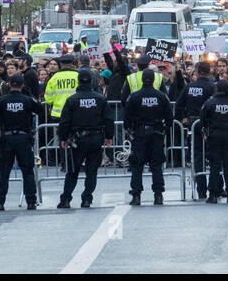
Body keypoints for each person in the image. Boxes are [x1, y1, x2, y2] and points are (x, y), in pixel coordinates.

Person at [57, 68, 113, 209]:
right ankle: (87, 198)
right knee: (92, 171)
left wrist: (62, 138)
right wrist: (109, 136)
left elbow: (65, 121)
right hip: (96, 138)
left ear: (78, 81)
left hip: (77, 140)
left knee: (73, 171)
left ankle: (66, 198)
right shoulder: (100, 99)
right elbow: (108, 119)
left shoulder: (72, 100)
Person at [124, 68, 174, 205]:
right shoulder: (161, 96)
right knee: (156, 165)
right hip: (156, 134)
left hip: (139, 134)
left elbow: (127, 117)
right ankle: (158, 195)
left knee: (137, 166)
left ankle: (136, 195)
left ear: (141, 80)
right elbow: (169, 117)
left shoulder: (134, 96)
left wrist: (130, 130)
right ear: (154, 80)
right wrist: (164, 129)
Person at [0, 74, 41, 211]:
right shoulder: (27, 100)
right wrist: (30, 95)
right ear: (22, 85)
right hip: (23, 139)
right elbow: (41, 110)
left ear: (9, 84)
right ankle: (31, 201)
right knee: (28, 172)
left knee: (4, 173)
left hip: (7, 139)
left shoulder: (2, 101)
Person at [178, 60, 217, 200]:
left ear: (198, 71)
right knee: (214, 157)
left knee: (198, 156)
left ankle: (201, 190)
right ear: (209, 71)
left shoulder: (190, 87)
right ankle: (216, 188)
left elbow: (179, 105)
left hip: (193, 124)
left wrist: (182, 120)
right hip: (210, 125)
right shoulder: (212, 87)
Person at [200, 79, 228, 203]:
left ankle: (212, 194)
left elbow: (202, 119)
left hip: (214, 136)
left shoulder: (210, 103)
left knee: (214, 166)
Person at [45, 54, 80, 121]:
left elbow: (48, 99)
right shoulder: (78, 76)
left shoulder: (54, 78)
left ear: (60, 64)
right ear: (72, 63)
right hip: (75, 113)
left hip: (57, 114)